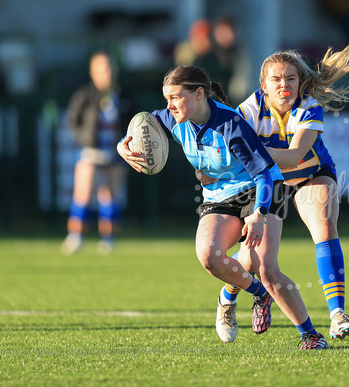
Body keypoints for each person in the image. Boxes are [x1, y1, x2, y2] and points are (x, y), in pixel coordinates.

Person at [116, 65, 329, 350]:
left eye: (176, 98)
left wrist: (258, 215)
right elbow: (143, 126)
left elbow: (265, 173)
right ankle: (257, 294)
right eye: (167, 99)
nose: (169, 106)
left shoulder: (230, 125)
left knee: (265, 267)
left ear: (199, 94)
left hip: (261, 190)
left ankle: (311, 335)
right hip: (218, 195)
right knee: (209, 256)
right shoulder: (172, 117)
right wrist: (122, 146)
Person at [213, 42, 349, 343]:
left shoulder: (309, 107)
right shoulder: (248, 109)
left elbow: (294, 156)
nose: (284, 85)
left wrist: (250, 150)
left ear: (300, 82)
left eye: (291, 78)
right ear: (264, 85)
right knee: (254, 261)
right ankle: (227, 297)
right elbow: (230, 153)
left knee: (324, 227)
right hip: (269, 184)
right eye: (276, 79)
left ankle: (337, 315)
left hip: (310, 175)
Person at [61, 51, 129, 255]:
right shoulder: (84, 95)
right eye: (101, 68)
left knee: (110, 195)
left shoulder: (123, 96)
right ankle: (75, 236)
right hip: (91, 152)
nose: (106, 72)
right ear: (93, 72)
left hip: (115, 154)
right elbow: (73, 123)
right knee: (83, 193)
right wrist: (86, 142)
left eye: (109, 67)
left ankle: (108, 239)